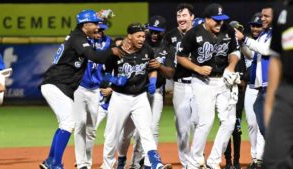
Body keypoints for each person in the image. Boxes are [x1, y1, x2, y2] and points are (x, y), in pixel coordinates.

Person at [39, 9, 123, 169]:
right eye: (94, 25)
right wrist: (112, 51)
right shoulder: (78, 38)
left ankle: (50, 160)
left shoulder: (79, 36)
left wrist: (99, 17)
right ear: (85, 25)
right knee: (69, 122)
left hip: (58, 85)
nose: (98, 28)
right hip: (56, 84)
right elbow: (95, 56)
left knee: (65, 123)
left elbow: (94, 32)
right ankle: (55, 164)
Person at [177, 3, 241, 169]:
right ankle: (194, 161)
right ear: (206, 19)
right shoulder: (194, 33)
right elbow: (181, 56)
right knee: (206, 121)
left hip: (224, 81)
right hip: (202, 82)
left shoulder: (228, 30)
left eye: (222, 20)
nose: (220, 23)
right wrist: (197, 67)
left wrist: (231, 67)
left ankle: (213, 161)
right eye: (216, 20)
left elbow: (235, 52)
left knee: (229, 121)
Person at [102, 23, 171, 169]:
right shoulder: (117, 52)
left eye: (143, 36)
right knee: (112, 135)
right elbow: (104, 74)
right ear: (129, 36)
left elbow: (152, 68)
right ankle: (109, 164)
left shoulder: (147, 50)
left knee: (146, 130)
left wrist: (152, 81)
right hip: (120, 98)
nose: (142, 39)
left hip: (140, 97)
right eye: (138, 36)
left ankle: (155, 162)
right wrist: (114, 80)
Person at [72, 21, 113, 169]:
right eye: (97, 29)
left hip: (95, 89)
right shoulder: (82, 41)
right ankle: (81, 162)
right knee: (79, 124)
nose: (99, 32)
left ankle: (87, 162)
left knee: (91, 129)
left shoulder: (108, 42)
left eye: (101, 30)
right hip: (80, 87)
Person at [164, 3, 195, 168]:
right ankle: (186, 162)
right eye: (178, 16)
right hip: (180, 84)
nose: (181, 19)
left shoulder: (201, 32)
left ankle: (197, 159)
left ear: (192, 17)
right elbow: (168, 59)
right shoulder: (171, 36)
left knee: (199, 122)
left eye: (184, 16)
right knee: (182, 126)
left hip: (199, 83)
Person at [263, 0, 293, 168]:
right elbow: (276, 58)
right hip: (288, 91)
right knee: (274, 160)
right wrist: (270, 103)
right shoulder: (283, 10)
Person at [240, 12, 265, 169]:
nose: (255, 28)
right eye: (253, 25)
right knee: (251, 124)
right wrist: (241, 42)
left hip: (263, 88)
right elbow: (249, 56)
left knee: (262, 124)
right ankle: (254, 157)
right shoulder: (251, 42)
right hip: (250, 88)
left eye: (258, 25)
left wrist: (244, 40)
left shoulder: (266, 41)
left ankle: (261, 159)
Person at [223, 21, 246, 169]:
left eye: (238, 31)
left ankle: (236, 162)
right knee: (225, 128)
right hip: (224, 93)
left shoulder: (243, 54)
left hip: (238, 96)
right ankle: (228, 162)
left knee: (236, 130)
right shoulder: (224, 51)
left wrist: (239, 80)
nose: (237, 33)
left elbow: (244, 80)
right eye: (234, 31)